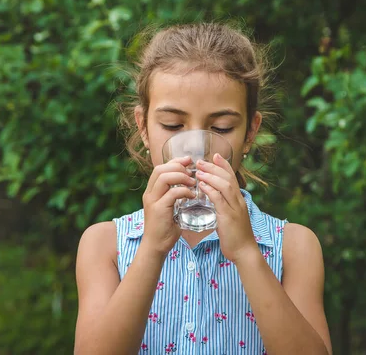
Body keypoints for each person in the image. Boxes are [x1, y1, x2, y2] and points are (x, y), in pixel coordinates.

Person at [74, 22, 332, 355]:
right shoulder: (105, 245)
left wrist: (246, 252)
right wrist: (152, 249)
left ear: (250, 132)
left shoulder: (293, 247)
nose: (194, 149)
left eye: (221, 127)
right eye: (172, 125)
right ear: (143, 127)